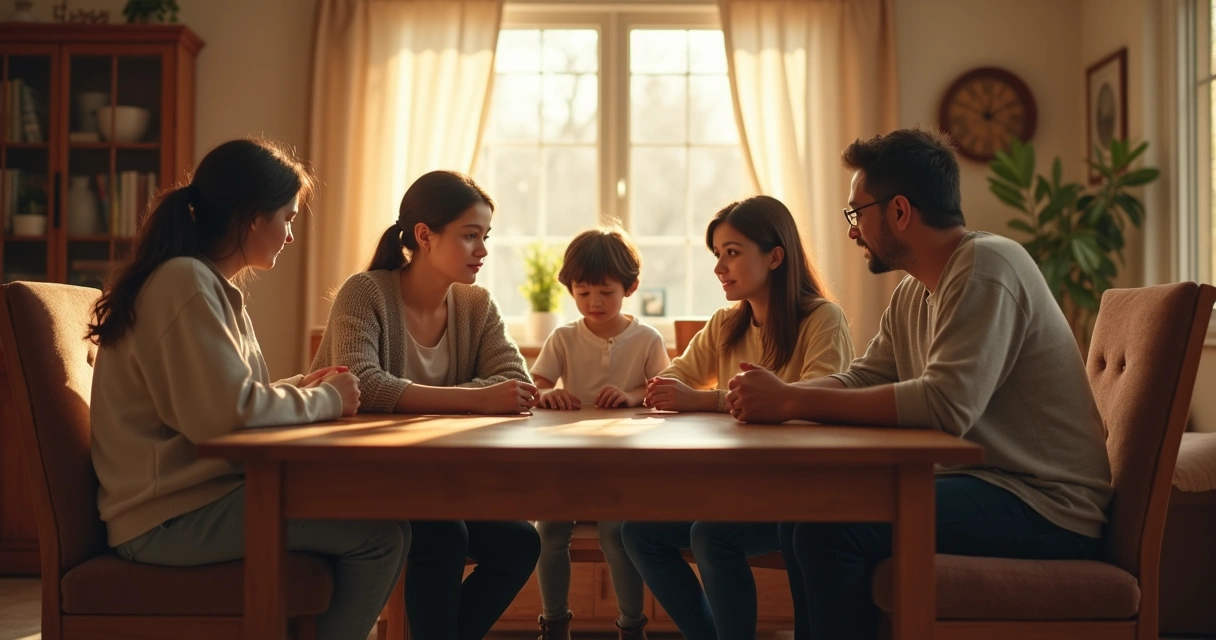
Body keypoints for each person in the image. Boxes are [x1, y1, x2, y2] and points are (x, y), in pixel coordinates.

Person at [725, 128, 1113, 639]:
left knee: (827, 527)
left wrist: (792, 399)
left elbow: (945, 405)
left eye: (856, 214)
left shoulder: (987, 266)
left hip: (1045, 504)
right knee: (806, 512)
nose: (852, 231)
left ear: (900, 211)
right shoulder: (915, 291)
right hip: (987, 484)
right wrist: (781, 395)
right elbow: (865, 374)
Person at [88, 138, 407, 640]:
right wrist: (325, 399)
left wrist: (301, 385)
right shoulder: (186, 283)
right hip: (169, 517)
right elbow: (226, 417)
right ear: (254, 218)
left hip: (192, 500)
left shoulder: (202, 283)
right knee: (381, 538)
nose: (291, 235)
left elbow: (225, 398)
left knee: (380, 521)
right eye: (288, 217)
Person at [312, 169, 541, 640]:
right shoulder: (365, 291)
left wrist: (480, 395)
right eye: (470, 236)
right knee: (444, 535)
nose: (482, 250)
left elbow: (516, 381)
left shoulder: (476, 305)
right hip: (362, 475)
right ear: (425, 236)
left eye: (485, 237)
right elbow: (363, 385)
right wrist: (476, 398)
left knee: (520, 542)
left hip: (440, 481)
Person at [622, 196, 855, 640]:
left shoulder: (822, 319)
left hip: (801, 491)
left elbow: (820, 404)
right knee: (638, 532)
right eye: (717, 254)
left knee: (712, 536)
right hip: (737, 487)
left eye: (732, 252)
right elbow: (674, 380)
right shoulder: (727, 323)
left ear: (775, 256)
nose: (719, 267)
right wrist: (659, 391)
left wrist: (705, 401)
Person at [530, 227, 669, 640]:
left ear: (630, 287)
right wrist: (547, 396)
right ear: (570, 288)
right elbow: (534, 385)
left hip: (621, 467)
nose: (594, 302)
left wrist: (630, 396)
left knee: (616, 533)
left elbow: (662, 391)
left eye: (606, 292)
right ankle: (554, 623)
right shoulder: (563, 338)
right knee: (550, 532)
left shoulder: (646, 338)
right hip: (569, 463)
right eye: (583, 291)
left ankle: (631, 626)